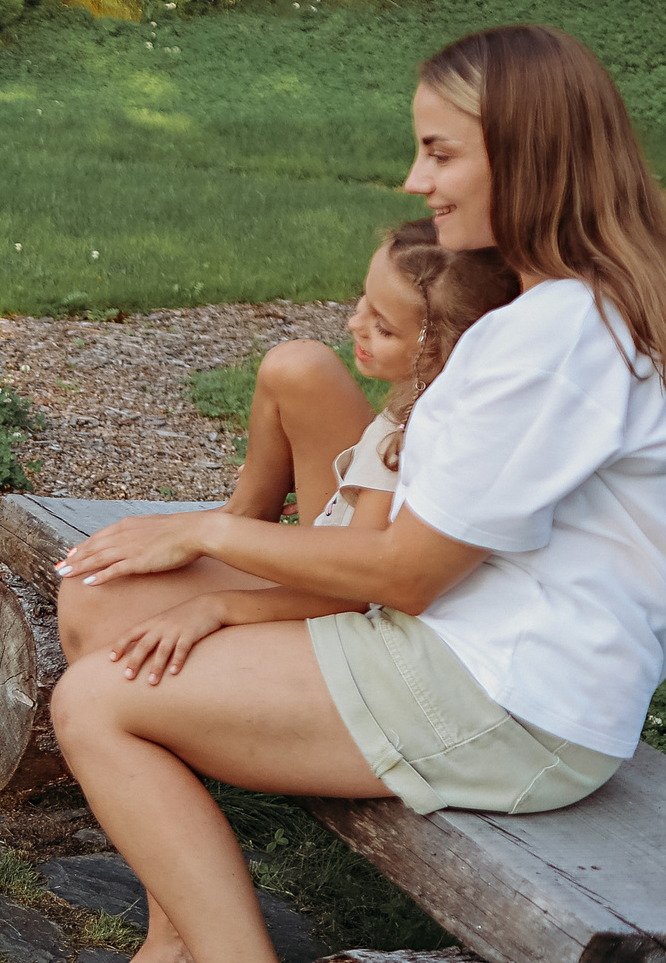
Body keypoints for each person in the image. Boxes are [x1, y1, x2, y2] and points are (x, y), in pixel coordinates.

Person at [44, 24, 666, 963]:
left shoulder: (560, 332)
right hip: (485, 653)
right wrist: (201, 570)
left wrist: (201, 539)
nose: (417, 180)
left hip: (504, 697)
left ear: (529, 151)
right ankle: (181, 923)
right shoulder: (585, 301)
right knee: (100, 596)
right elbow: (415, 558)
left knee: (98, 699)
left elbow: (403, 572)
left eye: (440, 152)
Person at [90, 219, 520, 690]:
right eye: (363, 302)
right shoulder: (422, 398)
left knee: (91, 604)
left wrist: (218, 605)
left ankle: (155, 706)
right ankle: (245, 515)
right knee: (296, 364)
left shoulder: (408, 442)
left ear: (443, 348)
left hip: (337, 586)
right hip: (342, 529)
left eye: (383, 327)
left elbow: (353, 593)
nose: (355, 324)